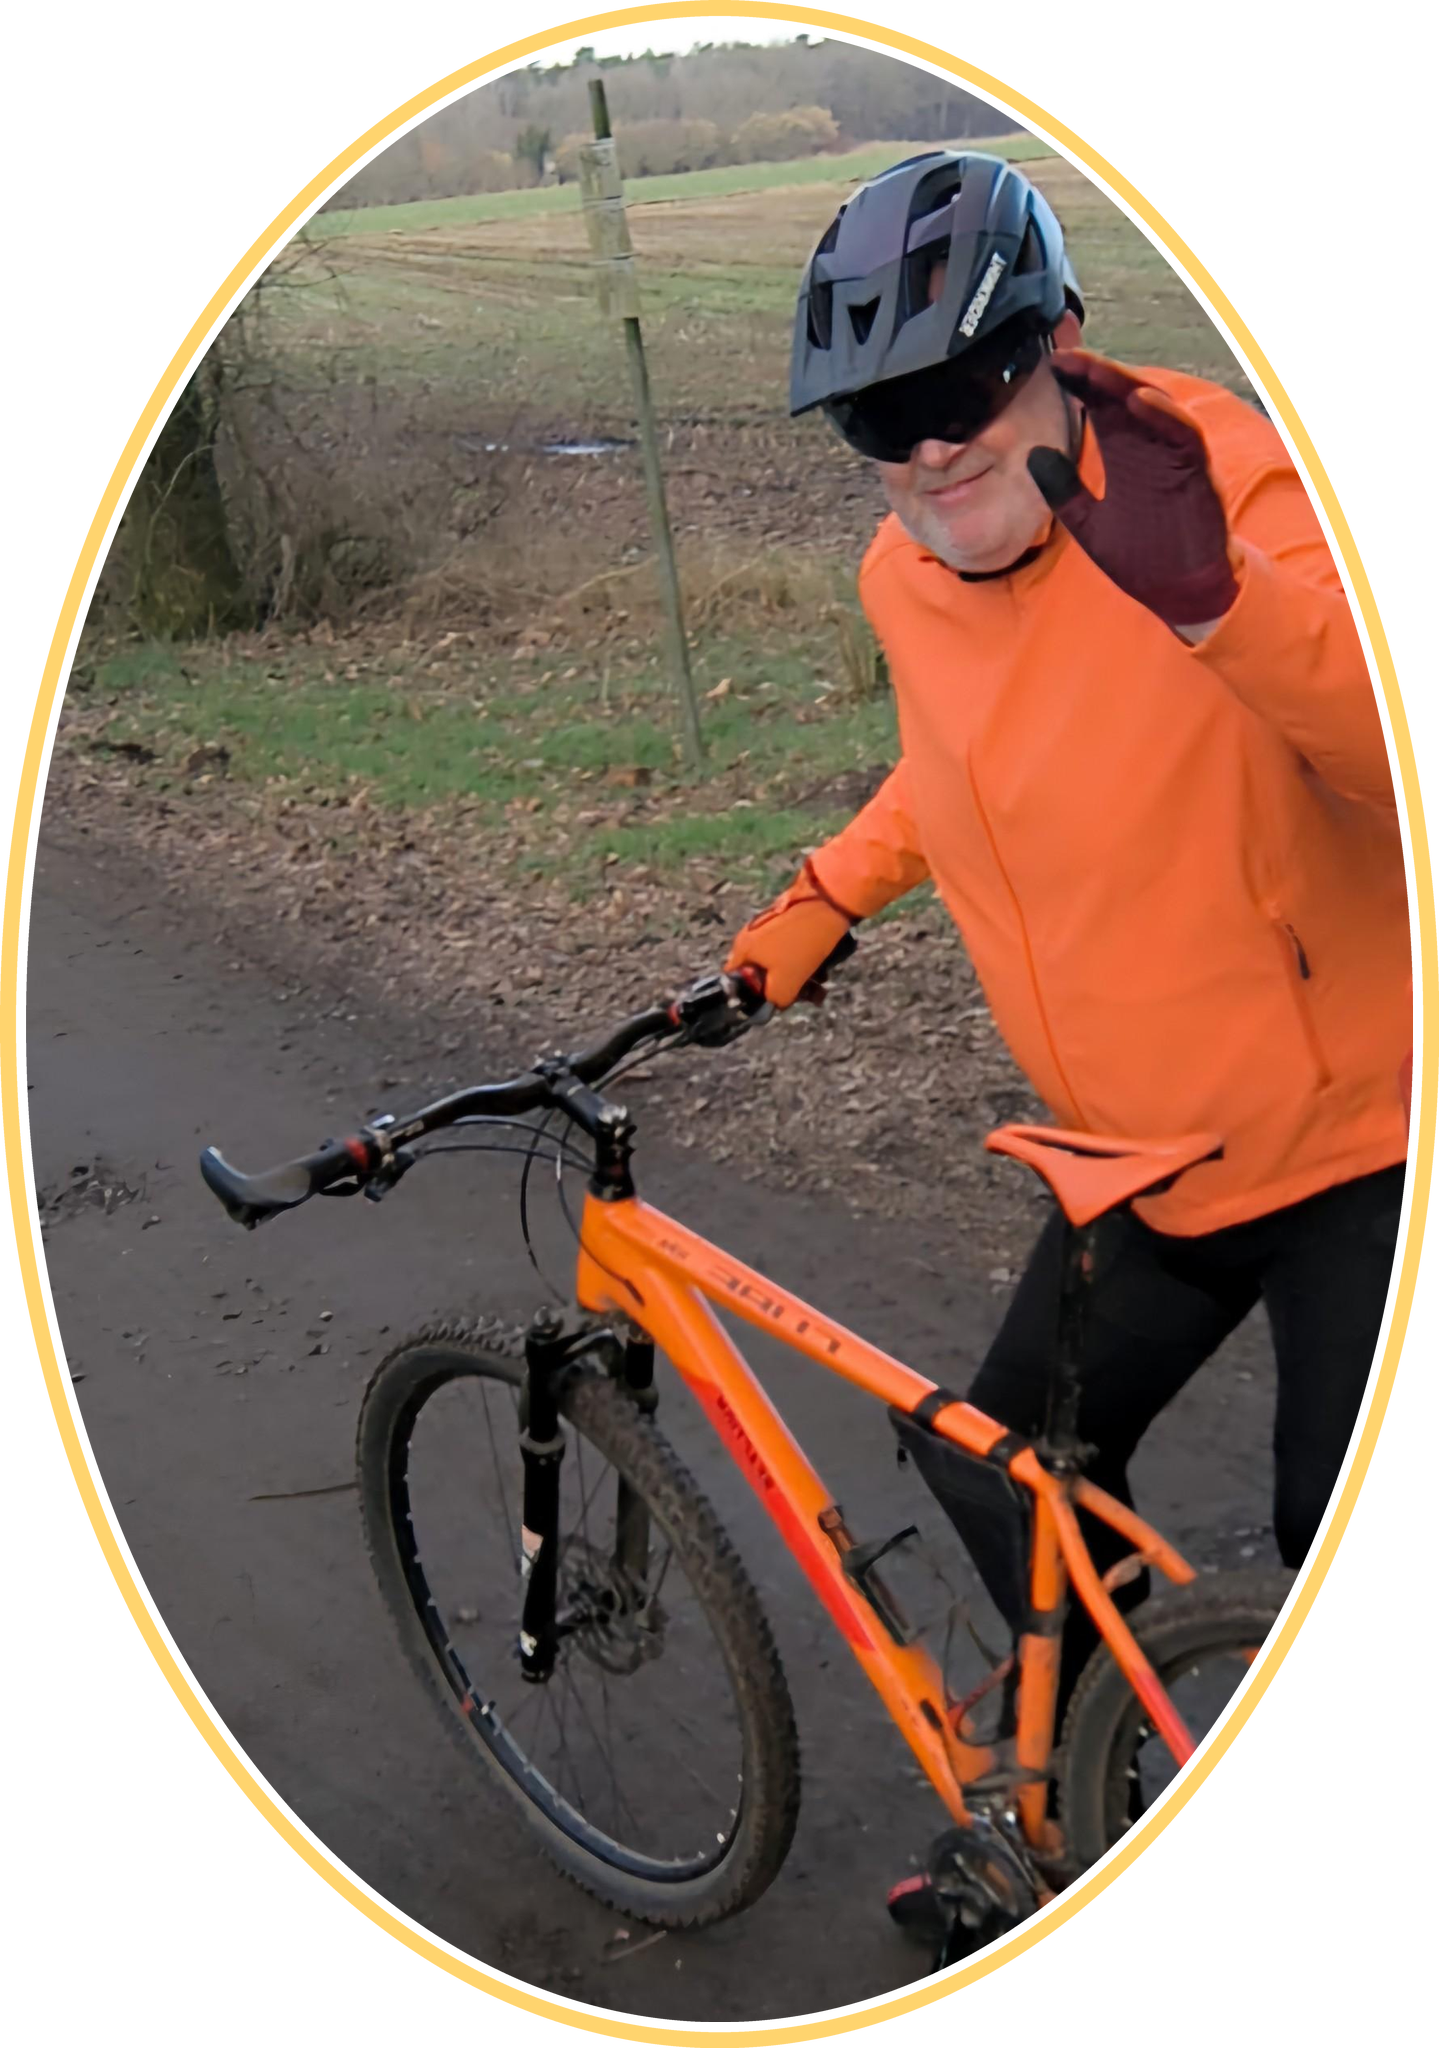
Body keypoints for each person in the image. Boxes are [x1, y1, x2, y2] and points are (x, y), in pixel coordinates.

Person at [723, 149, 1410, 1923]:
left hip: (1355, 1139)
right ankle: (1132, 1771)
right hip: (1136, 1152)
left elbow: (1390, 755)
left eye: (962, 388)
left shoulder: (1219, 479)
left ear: (1062, 344)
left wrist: (1217, 607)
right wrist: (820, 902)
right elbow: (951, 769)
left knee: (1341, 1545)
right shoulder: (906, 572)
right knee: (992, 1468)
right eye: (876, 419)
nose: (928, 448)